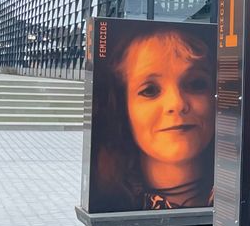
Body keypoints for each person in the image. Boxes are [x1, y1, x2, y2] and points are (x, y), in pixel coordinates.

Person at [92, 27, 215, 211]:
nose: (177, 103)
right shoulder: (107, 203)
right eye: (150, 90)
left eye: (196, 83)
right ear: (123, 107)